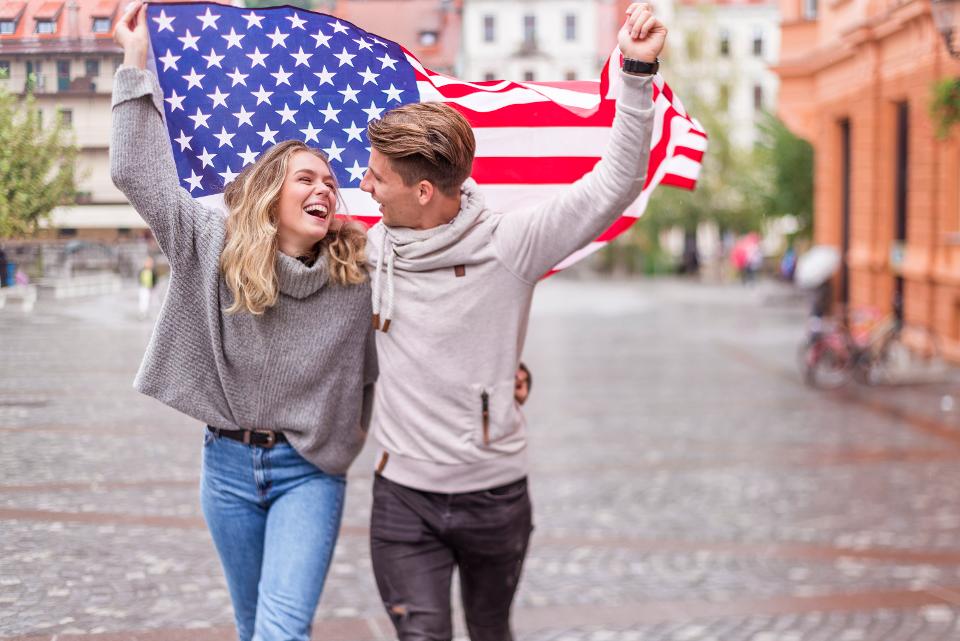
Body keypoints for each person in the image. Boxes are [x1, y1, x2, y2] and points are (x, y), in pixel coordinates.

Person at [357, 4, 666, 640]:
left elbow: (616, 183)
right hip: (402, 498)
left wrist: (636, 73)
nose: (365, 187)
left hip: (494, 495)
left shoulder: (511, 245)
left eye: (379, 177)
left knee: (492, 632)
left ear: (423, 192)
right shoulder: (366, 249)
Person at [111, 5, 378, 641]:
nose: (324, 189)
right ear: (269, 193)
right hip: (226, 467)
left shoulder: (355, 273)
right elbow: (134, 172)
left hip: (309, 471)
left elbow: (407, 333)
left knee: (281, 631)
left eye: (331, 182)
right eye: (306, 177)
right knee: (252, 625)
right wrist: (134, 59)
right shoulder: (210, 242)